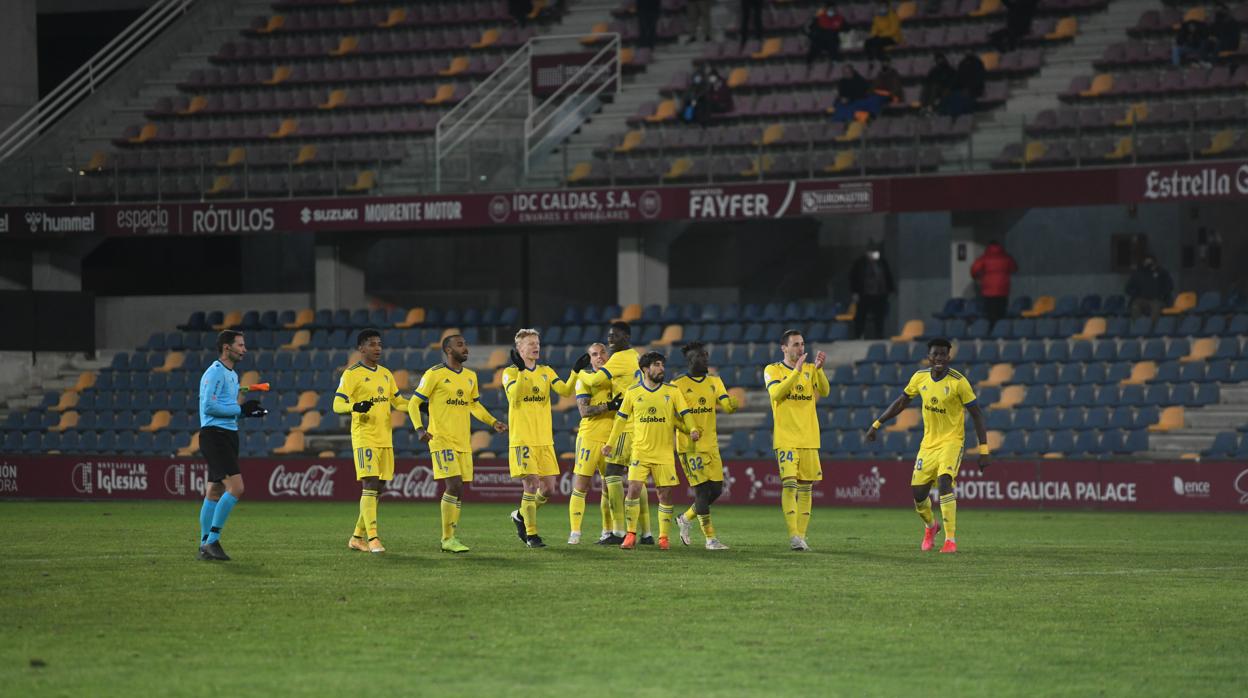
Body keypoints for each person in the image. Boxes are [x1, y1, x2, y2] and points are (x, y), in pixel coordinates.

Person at [865, 338, 988, 554]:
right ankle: (931, 527)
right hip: (928, 445)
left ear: (949, 357)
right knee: (919, 495)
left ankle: (950, 540)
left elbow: (977, 415)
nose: (939, 358)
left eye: (943, 354)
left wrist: (983, 450)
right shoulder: (919, 377)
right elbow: (901, 402)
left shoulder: (959, 382)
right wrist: (877, 423)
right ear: (928, 357)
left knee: (944, 481)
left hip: (952, 441)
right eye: (935, 354)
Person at [407, 334, 507, 553]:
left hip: (463, 441)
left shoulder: (470, 376)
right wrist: (420, 429)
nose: (466, 348)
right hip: (441, 439)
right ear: (448, 350)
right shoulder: (434, 374)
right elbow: (413, 403)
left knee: (460, 489)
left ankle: (451, 536)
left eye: (466, 344)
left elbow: (474, 406)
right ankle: (447, 539)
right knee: (453, 485)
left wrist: (493, 421)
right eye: (460, 345)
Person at [602, 352, 702, 550]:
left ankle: (663, 537)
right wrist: (610, 443)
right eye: (657, 365)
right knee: (633, 490)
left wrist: (692, 428)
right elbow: (620, 419)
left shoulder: (672, 391)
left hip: (664, 452)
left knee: (665, 494)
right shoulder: (633, 392)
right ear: (645, 369)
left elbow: (685, 413)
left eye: (663, 365)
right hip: (640, 451)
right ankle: (630, 534)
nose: (662, 368)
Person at [334, 329, 410, 554]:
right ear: (361, 348)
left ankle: (357, 537)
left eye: (379, 344)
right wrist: (354, 406)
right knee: (369, 483)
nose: (377, 348)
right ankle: (373, 537)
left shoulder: (386, 374)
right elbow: (337, 405)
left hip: (385, 437)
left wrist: (418, 406)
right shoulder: (351, 374)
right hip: (364, 436)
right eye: (372, 344)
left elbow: (398, 402)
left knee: (379, 487)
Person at [503, 329, 579, 548]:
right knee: (531, 483)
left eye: (537, 342)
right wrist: (521, 371)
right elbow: (515, 395)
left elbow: (565, 391)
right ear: (519, 349)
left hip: (544, 439)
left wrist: (575, 371)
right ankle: (531, 535)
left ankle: (520, 515)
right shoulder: (509, 372)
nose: (536, 346)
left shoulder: (546, 371)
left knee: (548, 489)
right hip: (522, 439)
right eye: (530, 343)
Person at [196, 330, 267, 561]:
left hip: (227, 434)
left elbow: (229, 408)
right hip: (215, 435)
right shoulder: (214, 372)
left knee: (214, 490)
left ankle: (204, 544)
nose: (244, 349)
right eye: (240, 345)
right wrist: (240, 409)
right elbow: (208, 407)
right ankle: (212, 541)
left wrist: (247, 412)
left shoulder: (233, 374)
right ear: (227, 347)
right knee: (236, 488)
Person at [577, 321, 651, 543]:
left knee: (612, 473)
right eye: (609, 335)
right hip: (640, 423)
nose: (610, 339)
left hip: (627, 424)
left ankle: (618, 532)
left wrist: (578, 372)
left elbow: (594, 379)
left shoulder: (619, 358)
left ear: (626, 337)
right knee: (635, 477)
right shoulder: (635, 355)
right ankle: (647, 533)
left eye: (615, 336)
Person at [763, 330, 829, 551]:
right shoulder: (772, 370)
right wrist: (796, 372)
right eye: (795, 344)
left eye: (802, 344)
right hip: (786, 438)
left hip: (809, 437)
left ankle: (801, 537)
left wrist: (819, 370)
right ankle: (793, 534)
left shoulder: (810, 369)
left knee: (806, 487)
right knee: (790, 484)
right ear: (784, 348)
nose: (800, 348)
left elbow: (825, 391)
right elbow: (776, 394)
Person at [671, 342, 738, 550]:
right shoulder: (677, 384)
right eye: (701, 356)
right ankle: (710, 539)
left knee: (716, 490)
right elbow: (671, 416)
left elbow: (725, 404)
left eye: (706, 355)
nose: (706, 359)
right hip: (689, 447)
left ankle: (685, 518)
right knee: (701, 492)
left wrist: (731, 405)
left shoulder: (715, 381)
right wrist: (686, 429)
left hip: (711, 444)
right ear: (691, 361)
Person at [567, 343, 617, 544]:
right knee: (581, 485)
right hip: (589, 437)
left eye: (603, 352)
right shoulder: (585, 379)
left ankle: (607, 531)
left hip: (611, 438)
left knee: (609, 487)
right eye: (594, 354)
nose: (599, 357)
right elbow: (584, 411)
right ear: (590, 359)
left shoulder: (616, 378)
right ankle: (575, 532)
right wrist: (610, 405)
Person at [849, 242, 895, 340]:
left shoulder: (882, 262)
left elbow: (887, 276)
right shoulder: (860, 263)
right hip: (864, 294)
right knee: (861, 315)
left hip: (879, 294)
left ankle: (879, 335)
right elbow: (854, 278)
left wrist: (890, 290)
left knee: (879, 316)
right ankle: (859, 335)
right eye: (871, 252)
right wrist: (855, 292)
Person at [970, 240, 1019, 328]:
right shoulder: (1006, 257)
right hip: (1003, 289)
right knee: (1001, 311)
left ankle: (991, 329)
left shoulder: (984, 258)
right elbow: (1014, 268)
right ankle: (1001, 329)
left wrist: (977, 277)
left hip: (988, 290)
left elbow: (974, 269)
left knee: (990, 312)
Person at [1126, 254, 1174, 323]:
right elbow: (1128, 288)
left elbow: (1170, 285)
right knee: (1135, 306)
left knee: (1155, 308)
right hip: (1141, 299)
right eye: (1146, 263)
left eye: (1151, 263)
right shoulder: (1138, 274)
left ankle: (1153, 328)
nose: (1149, 265)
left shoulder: (1161, 272)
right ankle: (1137, 327)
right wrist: (1136, 294)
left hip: (1156, 299)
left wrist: (1162, 295)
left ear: (1155, 263)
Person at [941, 51, 984, 117]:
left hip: (974, 89)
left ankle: (959, 115)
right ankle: (947, 115)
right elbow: (957, 78)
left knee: (961, 96)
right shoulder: (963, 63)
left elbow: (978, 79)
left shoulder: (978, 63)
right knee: (949, 95)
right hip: (961, 88)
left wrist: (969, 88)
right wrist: (949, 88)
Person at [864, 0, 902, 66]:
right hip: (881, 37)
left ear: (887, 7)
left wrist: (880, 35)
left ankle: (885, 60)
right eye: (880, 7)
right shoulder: (877, 17)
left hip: (893, 38)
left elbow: (893, 30)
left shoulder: (893, 15)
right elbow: (874, 28)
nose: (882, 8)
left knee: (876, 43)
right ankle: (871, 60)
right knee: (868, 42)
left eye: (884, 6)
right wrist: (871, 36)